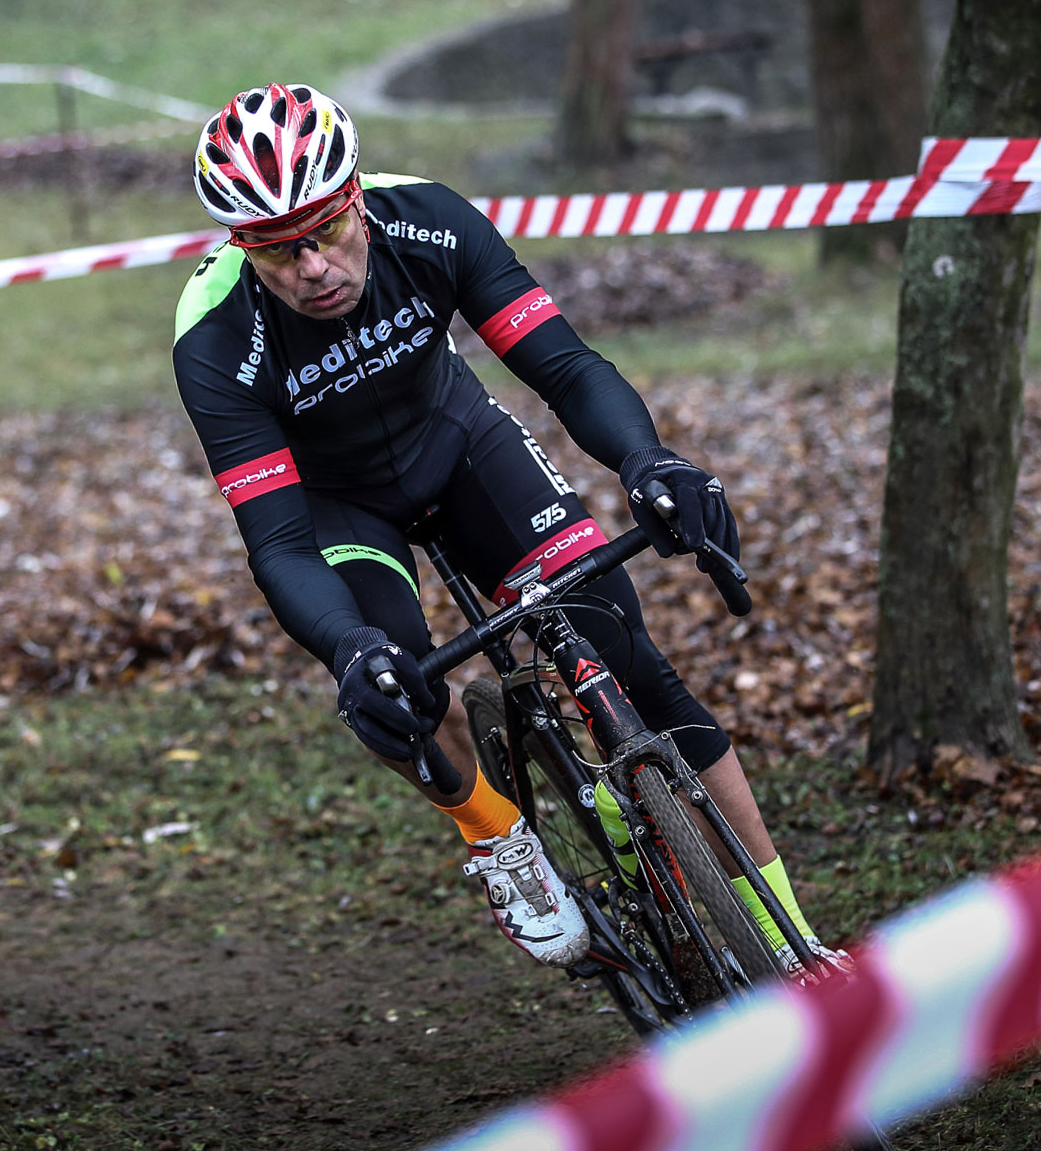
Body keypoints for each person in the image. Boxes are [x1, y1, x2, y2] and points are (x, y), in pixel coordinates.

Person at [173, 82, 850, 980]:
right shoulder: (215, 337)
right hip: (339, 508)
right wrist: (347, 651)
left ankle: (793, 946)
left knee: (628, 654)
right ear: (238, 244)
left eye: (327, 229)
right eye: (276, 249)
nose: (313, 267)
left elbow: (563, 367)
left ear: (358, 197)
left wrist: (648, 462)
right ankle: (499, 838)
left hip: (458, 444)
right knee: (397, 683)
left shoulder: (433, 223)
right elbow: (281, 543)